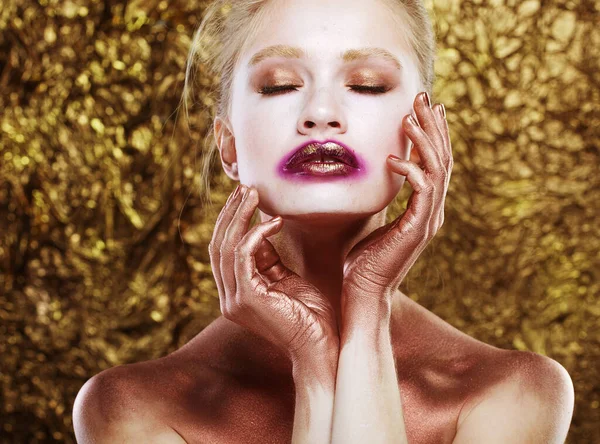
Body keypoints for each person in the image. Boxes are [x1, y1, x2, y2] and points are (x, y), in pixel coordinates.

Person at [72, 0, 575, 442]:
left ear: (422, 133)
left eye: (367, 85)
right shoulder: (132, 408)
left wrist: (368, 299)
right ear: (228, 145)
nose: (320, 112)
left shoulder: (513, 393)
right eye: (280, 85)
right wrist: (313, 366)